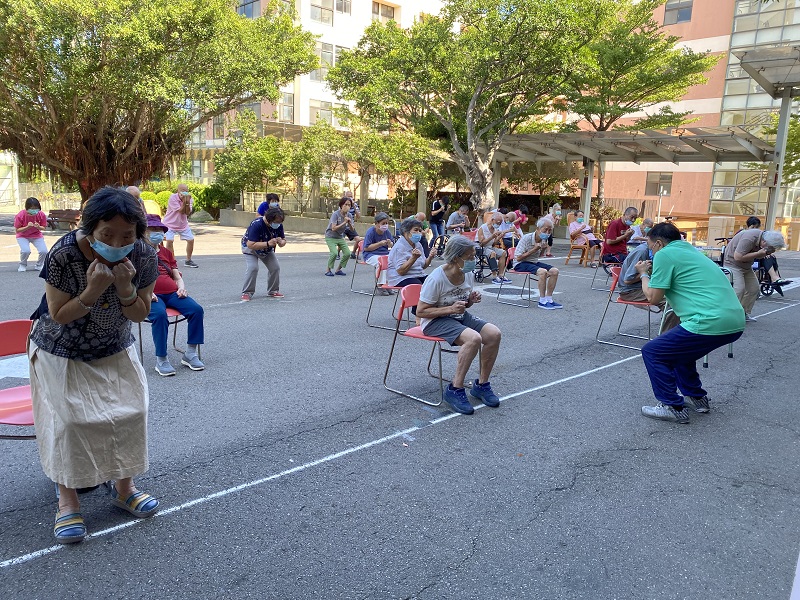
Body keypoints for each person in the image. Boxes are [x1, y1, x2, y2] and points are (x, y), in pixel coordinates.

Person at [28, 187, 160, 544]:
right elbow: (57, 315)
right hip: (61, 348)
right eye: (107, 234)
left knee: (131, 411)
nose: (118, 242)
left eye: (127, 236)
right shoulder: (64, 254)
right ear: (90, 229)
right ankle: (67, 502)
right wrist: (91, 291)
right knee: (69, 422)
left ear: (138, 233)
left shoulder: (145, 255)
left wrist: (124, 288)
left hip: (113, 345)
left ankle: (124, 488)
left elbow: (139, 313)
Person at [635, 222, 745, 424]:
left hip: (709, 320)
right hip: (735, 320)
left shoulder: (664, 255)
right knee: (679, 353)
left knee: (653, 352)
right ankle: (697, 398)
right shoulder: (693, 252)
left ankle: (672, 406)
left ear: (659, 243)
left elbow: (652, 297)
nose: (650, 252)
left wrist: (643, 273)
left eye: (650, 247)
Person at [417, 235, 502, 415]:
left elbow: (462, 303)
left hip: (457, 315)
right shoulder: (436, 279)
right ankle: (455, 389)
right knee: (473, 339)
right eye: (470, 257)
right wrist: (450, 309)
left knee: (494, 334)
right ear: (456, 258)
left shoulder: (467, 273)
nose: (473, 260)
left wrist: (470, 300)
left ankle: (482, 385)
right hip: (434, 321)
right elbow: (421, 312)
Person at [144, 214, 205, 376]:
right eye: (152, 229)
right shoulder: (137, 251)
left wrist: (182, 288)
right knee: (159, 315)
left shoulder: (166, 252)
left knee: (196, 310)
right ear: (143, 232)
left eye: (159, 229)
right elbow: (130, 278)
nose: (156, 233)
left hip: (172, 293)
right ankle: (162, 359)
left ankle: (190, 354)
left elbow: (177, 276)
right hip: (151, 295)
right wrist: (144, 293)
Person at [723, 225, 785, 322]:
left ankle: (743, 313)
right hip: (732, 264)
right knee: (739, 289)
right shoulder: (749, 238)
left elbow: (757, 257)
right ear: (764, 242)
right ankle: (728, 315)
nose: (770, 250)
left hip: (746, 266)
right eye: (770, 248)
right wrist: (759, 254)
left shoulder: (763, 240)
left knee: (753, 289)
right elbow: (738, 257)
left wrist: (765, 253)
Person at [617, 242, 680, 332]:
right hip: (630, 291)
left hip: (645, 285)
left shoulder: (655, 250)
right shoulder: (642, 251)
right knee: (672, 303)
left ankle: (677, 332)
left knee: (680, 296)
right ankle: (666, 339)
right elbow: (627, 280)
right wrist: (644, 272)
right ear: (658, 243)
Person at [512, 218, 562, 309]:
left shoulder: (544, 239)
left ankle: (549, 299)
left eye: (550, 230)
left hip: (533, 262)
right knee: (542, 272)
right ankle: (542, 301)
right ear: (538, 228)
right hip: (520, 263)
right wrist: (534, 249)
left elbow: (540, 255)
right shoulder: (526, 238)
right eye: (545, 229)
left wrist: (543, 248)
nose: (547, 232)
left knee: (555, 271)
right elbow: (518, 258)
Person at [241, 206, 286, 300]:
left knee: (275, 267)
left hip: (266, 249)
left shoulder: (278, 225)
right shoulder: (257, 224)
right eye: (276, 222)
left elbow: (283, 239)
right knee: (253, 268)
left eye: (280, 222)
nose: (278, 224)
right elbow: (250, 244)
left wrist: (281, 242)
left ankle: (273, 291)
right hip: (251, 249)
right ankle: (247, 292)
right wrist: (268, 243)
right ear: (269, 220)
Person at [387, 218, 435, 289]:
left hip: (418, 275)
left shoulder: (418, 244)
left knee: (434, 283)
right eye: (415, 230)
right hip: (401, 278)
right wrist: (413, 258)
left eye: (420, 230)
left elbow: (423, 266)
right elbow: (401, 271)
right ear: (406, 232)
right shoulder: (399, 247)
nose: (419, 233)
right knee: (419, 287)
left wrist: (430, 257)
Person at [745, 217, 790, 286]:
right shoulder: (744, 234)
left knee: (771, 256)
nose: (757, 229)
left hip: (756, 256)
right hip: (749, 257)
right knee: (766, 257)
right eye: (755, 227)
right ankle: (774, 278)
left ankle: (776, 276)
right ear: (751, 226)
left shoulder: (759, 235)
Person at [163, 183, 198, 268]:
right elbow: (180, 211)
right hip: (170, 224)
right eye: (182, 191)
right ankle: (171, 261)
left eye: (186, 191)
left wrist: (186, 202)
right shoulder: (173, 198)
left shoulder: (189, 199)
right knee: (170, 240)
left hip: (182, 224)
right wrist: (184, 202)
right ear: (178, 191)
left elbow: (187, 212)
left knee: (191, 240)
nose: (184, 192)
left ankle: (188, 260)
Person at [362, 211, 395, 295]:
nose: (385, 225)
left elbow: (392, 245)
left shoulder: (387, 232)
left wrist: (390, 243)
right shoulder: (371, 232)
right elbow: (366, 248)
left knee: (393, 261)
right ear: (377, 224)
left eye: (387, 223)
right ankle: (380, 285)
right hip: (371, 254)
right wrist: (380, 243)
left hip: (384, 253)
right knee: (381, 262)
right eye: (383, 223)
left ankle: (388, 284)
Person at [14, 196, 48, 272]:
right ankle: (22, 264)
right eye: (32, 208)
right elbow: (17, 230)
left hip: (36, 235)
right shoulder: (20, 215)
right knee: (26, 251)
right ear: (27, 208)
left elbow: (44, 227)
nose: (34, 211)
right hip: (23, 236)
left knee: (44, 251)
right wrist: (27, 227)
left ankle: (39, 265)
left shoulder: (41, 214)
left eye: (36, 208)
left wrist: (39, 227)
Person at [476, 211, 511, 284]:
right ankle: (494, 276)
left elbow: (493, 244)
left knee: (503, 253)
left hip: (489, 247)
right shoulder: (483, 228)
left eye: (500, 223)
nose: (498, 224)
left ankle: (500, 274)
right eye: (497, 222)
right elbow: (481, 243)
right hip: (481, 248)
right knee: (492, 253)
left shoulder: (495, 229)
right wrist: (491, 237)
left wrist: (499, 237)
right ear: (492, 220)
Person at [324, 198, 354, 276]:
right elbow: (333, 228)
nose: (347, 206)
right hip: (330, 236)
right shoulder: (336, 214)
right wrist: (344, 222)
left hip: (339, 237)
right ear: (341, 205)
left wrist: (349, 223)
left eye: (349, 205)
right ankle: (328, 270)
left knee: (347, 253)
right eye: (346, 204)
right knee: (334, 253)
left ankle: (338, 270)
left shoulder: (349, 215)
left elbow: (352, 229)